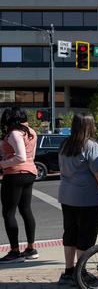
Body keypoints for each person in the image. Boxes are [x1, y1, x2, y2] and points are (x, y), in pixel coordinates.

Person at [56, 113, 98, 285]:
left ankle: (69, 270)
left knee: (70, 233)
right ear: (90, 126)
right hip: (87, 198)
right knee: (86, 236)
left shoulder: (65, 144)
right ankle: (81, 272)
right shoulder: (90, 146)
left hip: (66, 196)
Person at [0, 107, 38, 264]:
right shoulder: (31, 132)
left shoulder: (15, 133)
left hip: (15, 174)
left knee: (8, 213)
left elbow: (20, 157)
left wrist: (2, 163)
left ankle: (15, 251)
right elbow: (30, 156)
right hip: (30, 173)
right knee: (26, 210)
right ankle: (31, 248)